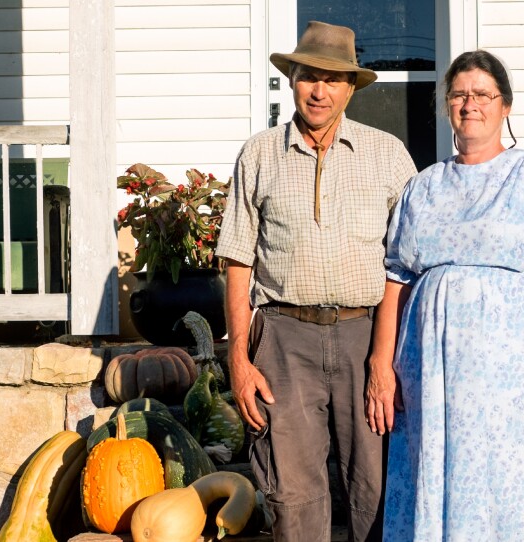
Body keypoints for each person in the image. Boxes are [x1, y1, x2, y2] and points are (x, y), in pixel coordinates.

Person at [365, 50, 524, 540]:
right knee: (440, 477)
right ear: (447, 104)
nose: (470, 104)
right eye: (459, 94)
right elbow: (396, 280)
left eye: (482, 95)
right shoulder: (422, 188)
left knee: (516, 485)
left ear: (505, 105)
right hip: (431, 377)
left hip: (513, 379)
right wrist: (381, 367)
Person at [215, 21, 417, 542]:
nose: (320, 90)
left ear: (352, 88)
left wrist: (390, 357)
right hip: (283, 338)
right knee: (292, 491)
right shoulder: (258, 155)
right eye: (309, 76)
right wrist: (238, 360)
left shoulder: (388, 155)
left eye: (333, 79)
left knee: (375, 483)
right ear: (292, 80)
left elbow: (413, 262)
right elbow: (237, 262)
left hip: (367, 337)